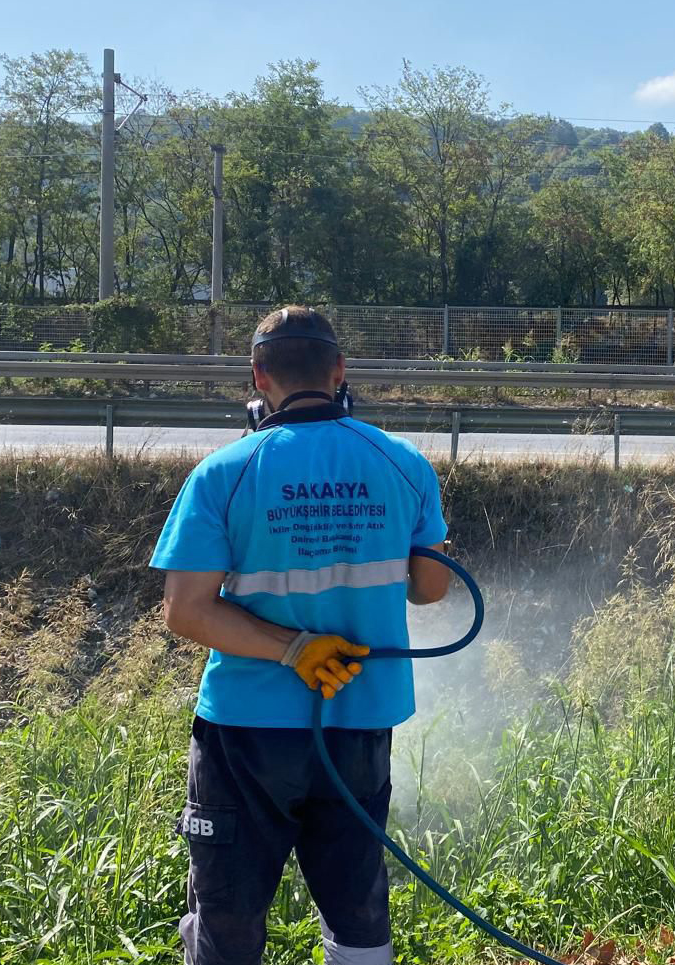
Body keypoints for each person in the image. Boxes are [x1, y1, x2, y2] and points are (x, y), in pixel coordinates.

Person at [151, 305, 451, 965]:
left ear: (260, 376)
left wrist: (292, 649)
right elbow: (430, 588)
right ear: (340, 370)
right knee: (357, 907)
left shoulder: (224, 473)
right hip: (359, 721)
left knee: (227, 915)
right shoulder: (402, 463)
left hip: (245, 732)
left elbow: (186, 610)